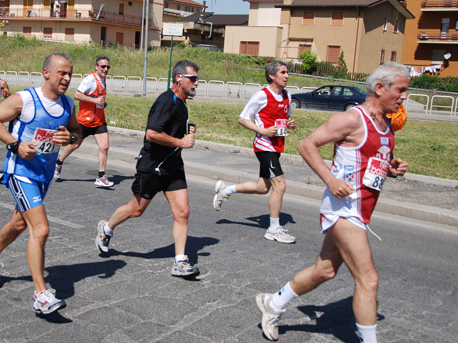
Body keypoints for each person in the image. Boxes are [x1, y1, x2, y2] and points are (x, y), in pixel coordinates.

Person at [255, 62, 409, 342]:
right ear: (379, 88)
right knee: (369, 279)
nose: (404, 96)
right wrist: (331, 180)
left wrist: (391, 166)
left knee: (324, 270)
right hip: (343, 209)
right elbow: (307, 145)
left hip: (361, 210)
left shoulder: (385, 123)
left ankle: (273, 303)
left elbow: (368, 158)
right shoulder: (352, 118)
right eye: (400, 90)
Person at [0, 52, 81, 315]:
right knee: (41, 228)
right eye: (62, 73)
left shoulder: (68, 104)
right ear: (47, 72)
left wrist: (69, 138)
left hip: (43, 175)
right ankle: (41, 294)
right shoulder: (26, 99)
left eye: (70, 73)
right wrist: (15, 145)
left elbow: (77, 132)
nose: (67, 78)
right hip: (21, 172)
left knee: (19, 222)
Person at [95, 60, 201, 278]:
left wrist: (185, 132)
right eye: (193, 79)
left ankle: (180, 261)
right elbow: (152, 133)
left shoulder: (181, 103)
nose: (196, 83)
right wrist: (181, 142)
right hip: (152, 167)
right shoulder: (166, 101)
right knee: (136, 210)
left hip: (173, 167)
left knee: (183, 212)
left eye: (197, 79)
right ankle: (106, 228)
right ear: (179, 78)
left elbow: (169, 130)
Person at [212, 61, 298, 244]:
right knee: (280, 186)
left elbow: (286, 116)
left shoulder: (287, 95)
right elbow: (243, 119)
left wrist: (289, 123)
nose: (287, 76)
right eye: (283, 72)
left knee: (262, 188)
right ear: (272, 76)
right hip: (264, 145)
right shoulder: (261, 96)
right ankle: (274, 229)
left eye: (287, 72)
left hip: (277, 146)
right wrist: (263, 131)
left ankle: (225, 190)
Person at [54, 55, 114, 187]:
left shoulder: (103, 79)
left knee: (104, 147)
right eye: (103, 66)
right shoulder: (90, 80)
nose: (105, 69)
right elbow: (77, 95)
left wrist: (102, 104)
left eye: (107, 67)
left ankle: (101, 176)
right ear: (96, 66)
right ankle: (58, 162)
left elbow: (97, 98)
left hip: (99, 120)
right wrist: (95, 101)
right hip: (85, 120)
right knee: (74, 145)